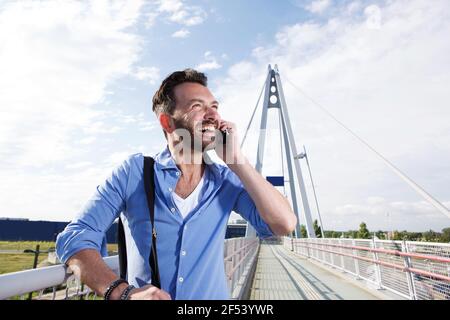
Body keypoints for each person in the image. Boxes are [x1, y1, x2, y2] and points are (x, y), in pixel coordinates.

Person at [56, 68, 297, 300]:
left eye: (214, 107)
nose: (213, 115)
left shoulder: (226, 181)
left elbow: (283, 224)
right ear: (168, 123)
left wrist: (238, 161)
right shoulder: (135, 172)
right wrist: (122, 292)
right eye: (197, 107)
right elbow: (75, 236)